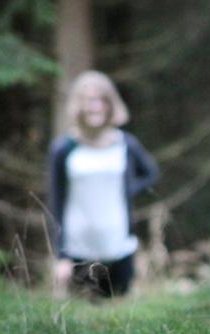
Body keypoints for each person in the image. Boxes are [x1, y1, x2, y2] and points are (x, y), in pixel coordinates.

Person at [48, 70, 159, 299]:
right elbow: (56, 201)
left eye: (101, 100)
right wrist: (61, 255)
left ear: (110, 104)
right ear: (77, 106)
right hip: (79, 250)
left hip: (119, 247)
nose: (95, 107)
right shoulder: (63, 148)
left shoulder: (126, 144)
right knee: (84, 320)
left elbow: (151, 174)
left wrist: (126, 191)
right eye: (88, 100)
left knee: (121, 318)